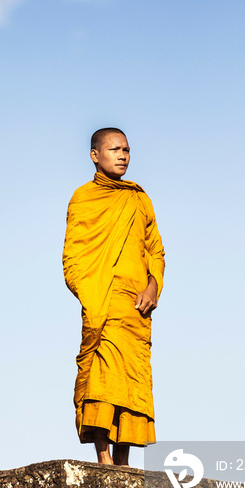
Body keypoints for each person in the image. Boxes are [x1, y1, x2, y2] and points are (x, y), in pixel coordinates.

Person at [62, 127, 165, 466]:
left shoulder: (139, 198)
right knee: (103, 380)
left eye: (127, 150)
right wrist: (92, 297)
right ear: (95, 155)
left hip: (136, 306)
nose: (123, 156)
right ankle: (103, 459)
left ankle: (123, 463)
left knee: (131, 383)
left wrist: (153, 285)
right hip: (102, 302)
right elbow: (73, 259)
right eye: (115, 149)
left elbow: (156, 251)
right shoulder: (83, 198)